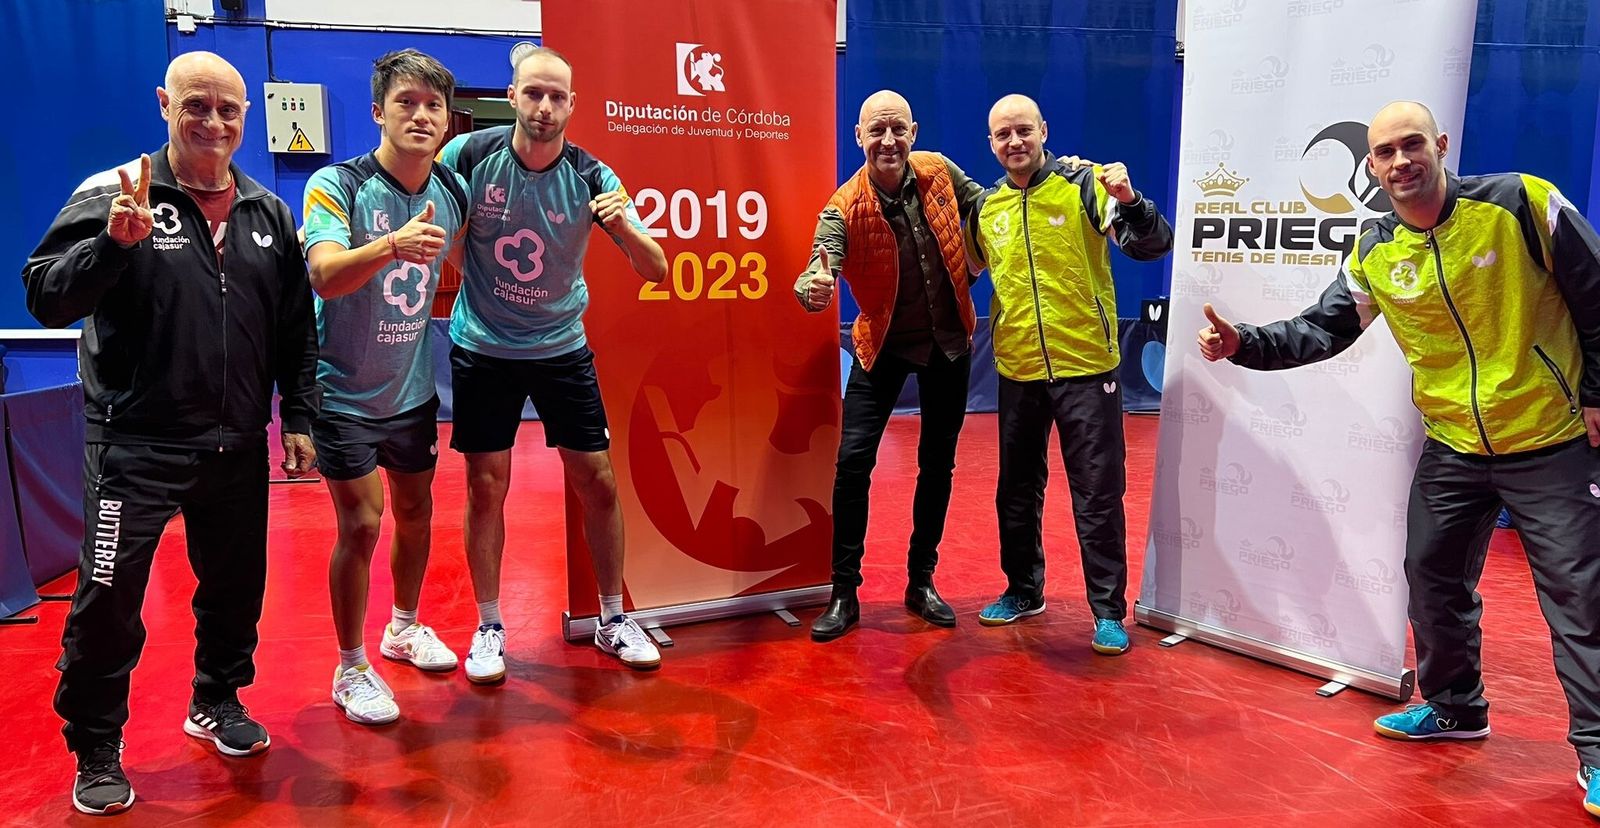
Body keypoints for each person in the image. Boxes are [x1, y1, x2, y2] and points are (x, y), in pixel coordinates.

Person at [1198, 100, 1600, 819]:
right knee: (1431, 576)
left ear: (1441, 146)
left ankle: (1599, 751)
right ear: (1372, 167)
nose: (1399, 161)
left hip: (1551, 437)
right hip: (1453, 444)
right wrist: (1244, 346)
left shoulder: (1520, 203)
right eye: (1383, 153)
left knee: (1581, 598)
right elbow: (1324, 328)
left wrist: (1598, 391)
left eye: (1412, 144)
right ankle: (1455, 707)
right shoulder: (1374, 247)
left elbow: (1598, 294)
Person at [21, 51, 318, 814]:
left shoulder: (266, 212)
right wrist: (111, 247)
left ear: (246, 115)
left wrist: (301, 418)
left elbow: (293, 327)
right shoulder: (118, 192)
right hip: (135, 443)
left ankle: (216, 698)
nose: (214, 123)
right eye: (196, 106)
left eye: (228, 109)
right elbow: (45, 297)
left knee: (235, 588)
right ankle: (95, 742)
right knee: (110, 598)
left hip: (236, 442)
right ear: (164, 104)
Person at [437, 47, 668, 678]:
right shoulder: (468, 157)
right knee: (486, 487)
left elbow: (656, 267)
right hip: (483, 348)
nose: (544, 108)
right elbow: (436, 228)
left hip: (561, 347)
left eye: (557, 97)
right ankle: (488, 626)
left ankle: (614, 618)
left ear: (573, 105)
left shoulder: (594, 177)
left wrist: (623, 228)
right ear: (512, 96)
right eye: (533, 94)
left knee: (597, 479)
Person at [966, 94, 1173, 653]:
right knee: (1016, 492)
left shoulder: (1084, 186)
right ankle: (1023, 589)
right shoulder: (987, 209)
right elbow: (960, 271)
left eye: (1023, 131)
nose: (1014, 142)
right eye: (1003, 134)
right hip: (1019, 371)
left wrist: (1130, 200)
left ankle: (1107, 612)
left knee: (1098, 494)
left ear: (1043, 131)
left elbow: (1151, 244)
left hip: (1088, 368)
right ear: (991, 143)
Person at [302, 49, 469, 725]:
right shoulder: (335, 183)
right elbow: (325, 273)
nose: (421, 115)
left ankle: (402, 628)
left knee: (417, 512)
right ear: (378, 111)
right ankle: (350, 665)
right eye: (406, 102)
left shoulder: (452, 193)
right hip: (341, 391)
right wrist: (391, 247)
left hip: (411, 390)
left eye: (432, 105)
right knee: (363, 523)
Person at [794, 90, 985, 642]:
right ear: (859, 137)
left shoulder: (941, 172)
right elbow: (819, 261)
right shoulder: (842, 205)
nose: (888, 141)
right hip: (881, 347)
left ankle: (921, 582)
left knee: (938, 464)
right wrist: (814, 284)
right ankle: (843, 592)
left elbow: (988, 210)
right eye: (876, 130)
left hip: (949, 342)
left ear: (914, 131)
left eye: (897, 129)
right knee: (853, 465)